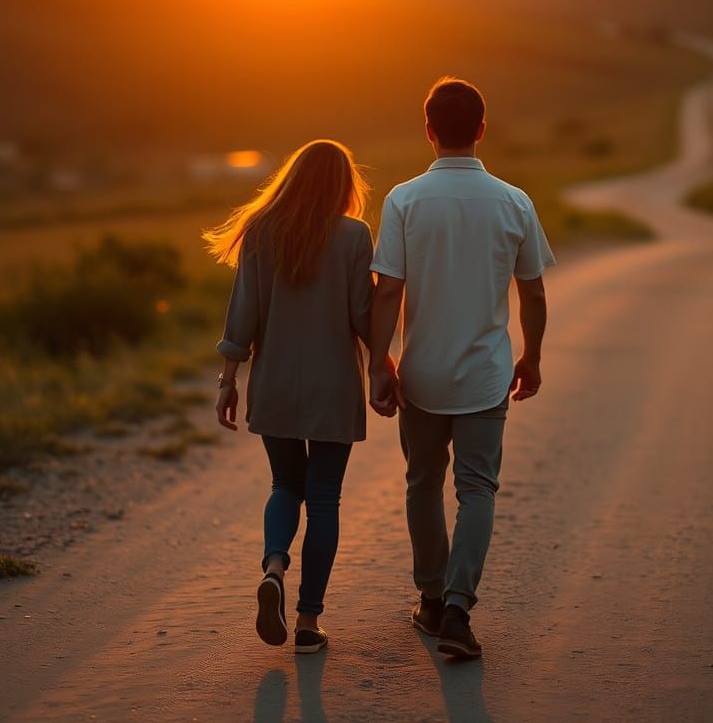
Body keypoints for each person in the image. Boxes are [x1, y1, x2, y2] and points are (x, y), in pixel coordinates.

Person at [367, 77, 555, 659]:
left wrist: (378, 364)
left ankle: (428, 598)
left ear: (428, 131)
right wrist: (532, 357)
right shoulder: (514, 201)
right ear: (481, 128)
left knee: (423, 483)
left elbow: (387, 290)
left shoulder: (403, 199)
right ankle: (456, 608)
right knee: (477, 489)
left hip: (420, 375)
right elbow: (534, 295)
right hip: (484, 376)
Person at [204, 139, 383, 654]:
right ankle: (307, 623)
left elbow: (244, 313)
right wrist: (386, 364)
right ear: (344, 185)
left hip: (276, 382)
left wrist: (227, 380)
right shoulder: (353, 235)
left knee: (285, 484)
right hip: (333, 386)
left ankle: (275, 564)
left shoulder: (262, 231)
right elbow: (361, 314)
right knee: (324, 498)